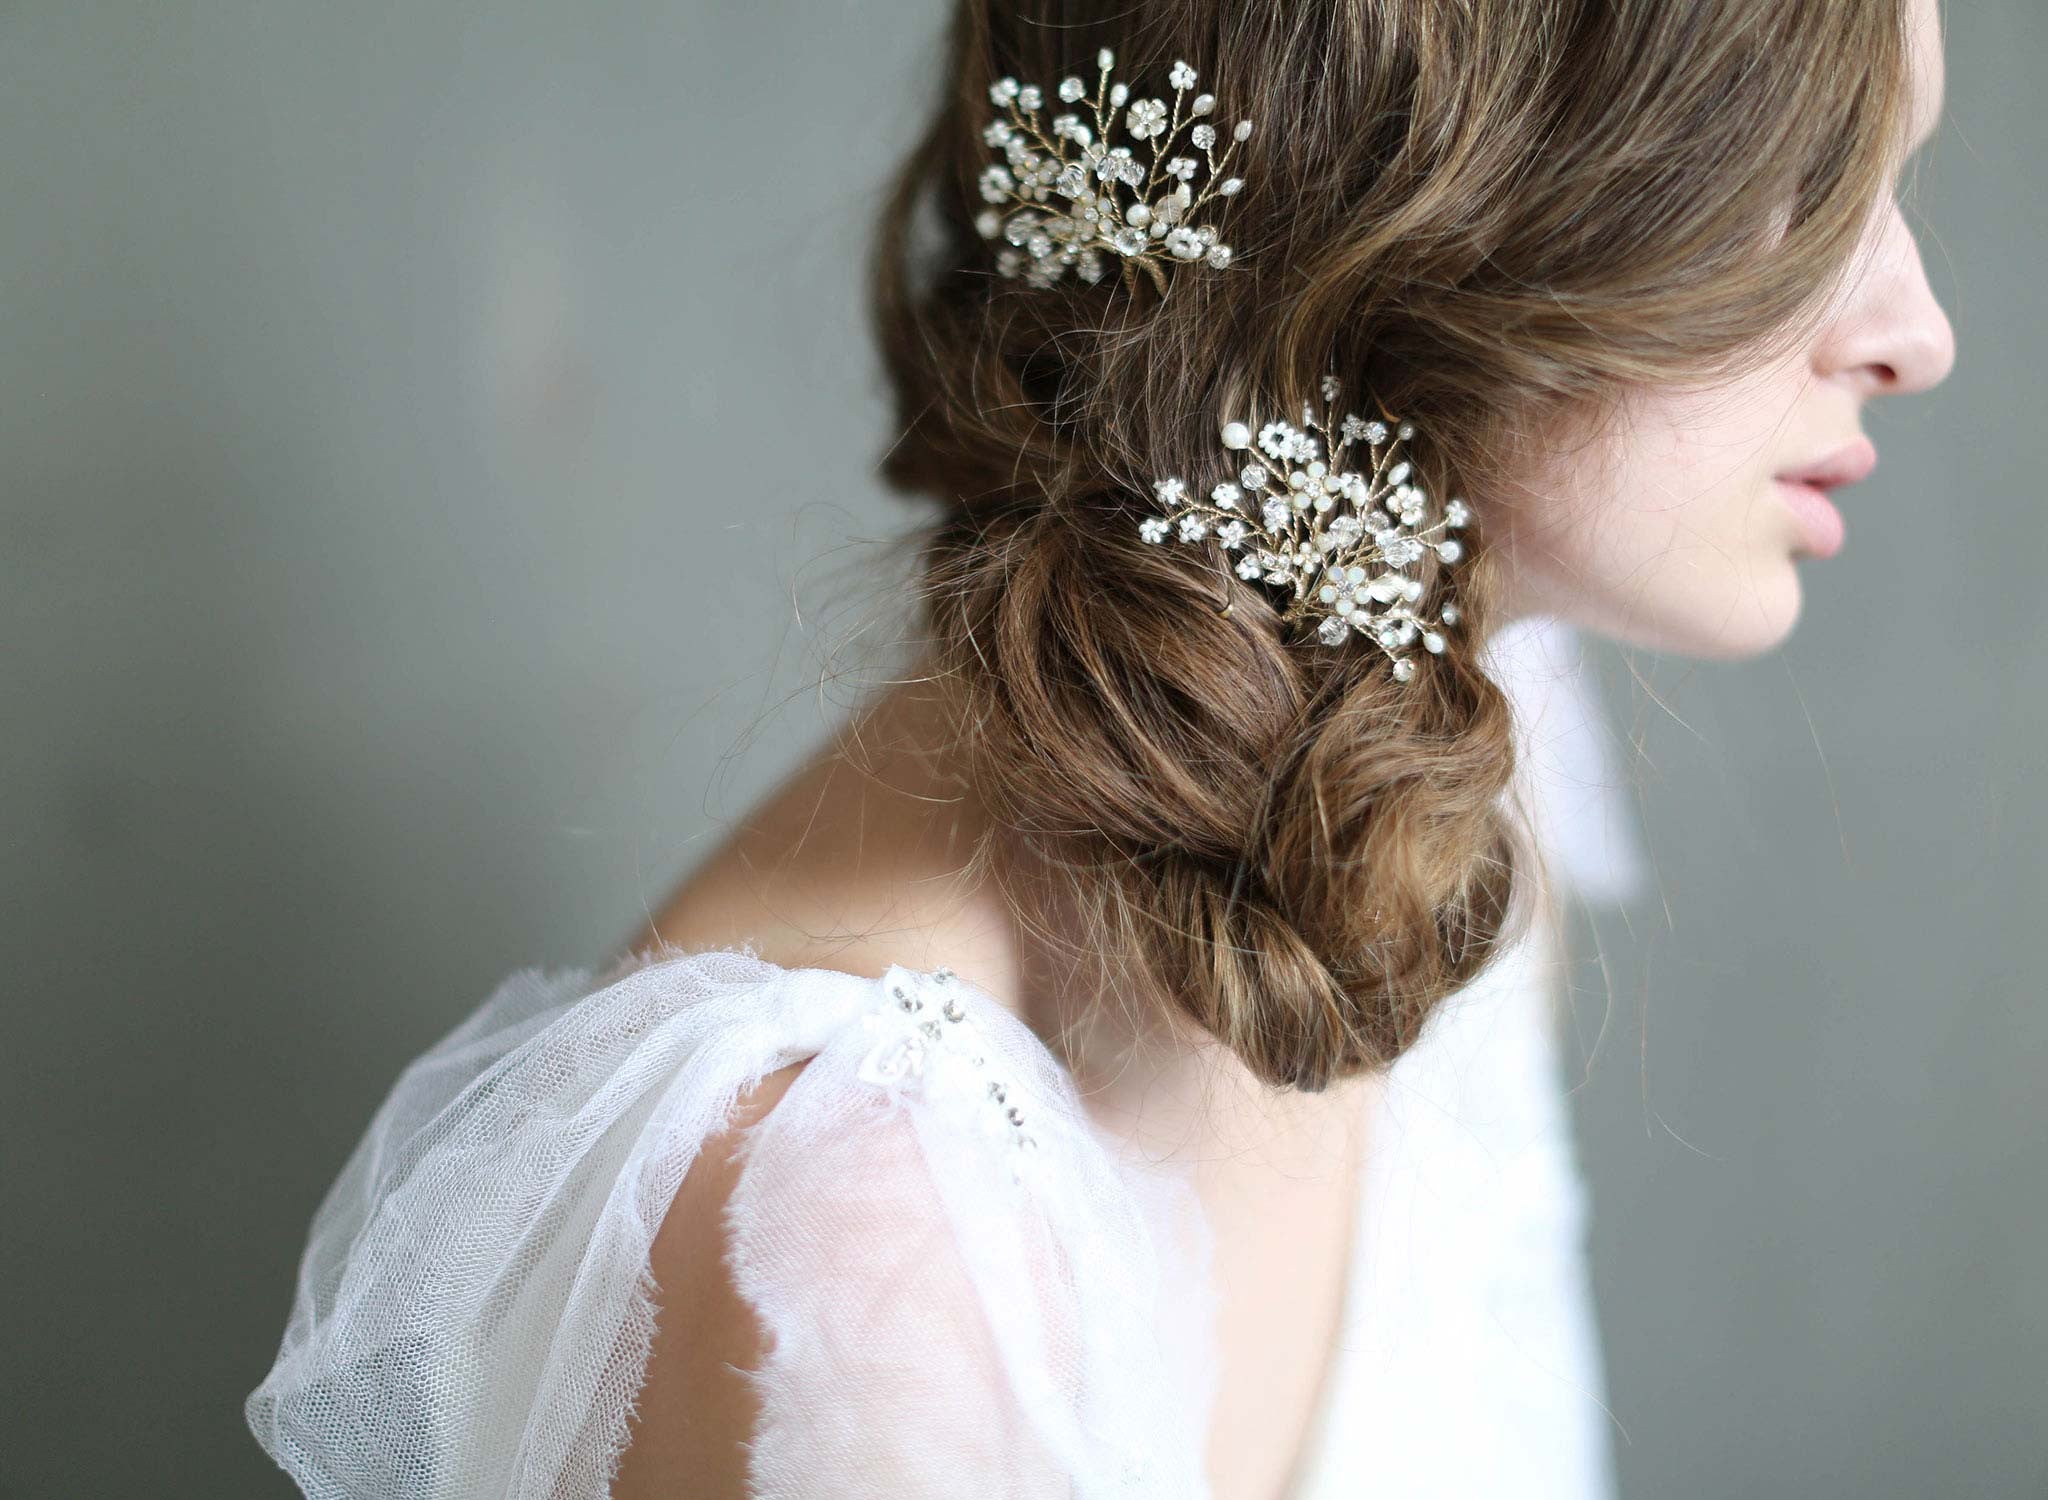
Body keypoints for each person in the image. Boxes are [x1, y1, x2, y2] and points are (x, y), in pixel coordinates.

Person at [244, 2, 1954, 1496]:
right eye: (1806, 195)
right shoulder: (870, 1241)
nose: (1917, 330)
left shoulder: (1433, 780)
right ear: (1427, 209)